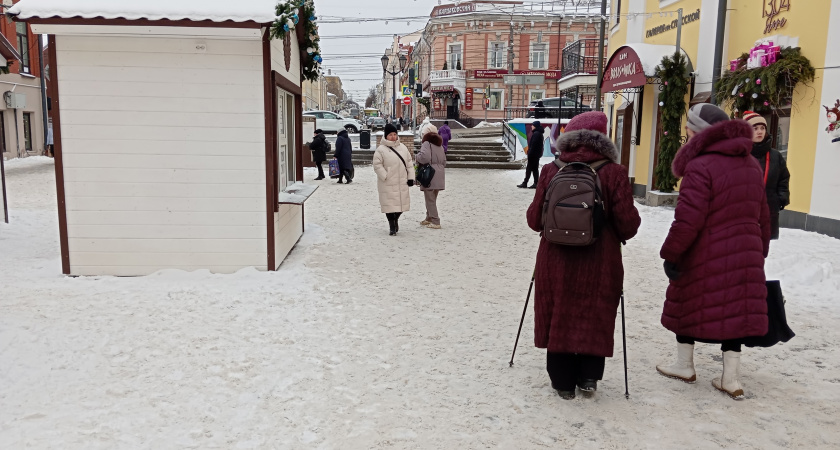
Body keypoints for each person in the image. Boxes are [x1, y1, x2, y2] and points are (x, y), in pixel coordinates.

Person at [656, 104, 771, 400]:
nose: (686, 132)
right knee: (736, 309)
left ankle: (684, 365)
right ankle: (731, 379)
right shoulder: (749, 164)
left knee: (687, 300)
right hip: (746, 250)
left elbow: (688, 218)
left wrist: (671, 253)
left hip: (705, 250)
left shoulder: (700, 165)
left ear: (698, 132)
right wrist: (761, 250)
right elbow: (763, 212)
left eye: (688, 127)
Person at [526, 112, 642, 400]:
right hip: (600, 260)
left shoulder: (552, 170)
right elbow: (628, 226)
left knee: (558, 312)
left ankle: (562, 381)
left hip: (555, 259)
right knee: (595, 312)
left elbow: (534, 220)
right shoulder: (614, 172)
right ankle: (588, 377)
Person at [744, 111, 790, 240]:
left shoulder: (775, 156)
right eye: (755, 128)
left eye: (762, 128)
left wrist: (781, 198)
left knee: (762, 247)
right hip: (743, 210)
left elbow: (783, 178)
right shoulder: (740, 154)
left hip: (768, 208)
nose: (760, 132)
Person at [373, 124, 415, 235]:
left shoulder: (403, 148)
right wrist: (385, 175)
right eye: (390, 135)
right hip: (387, 182)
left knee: (401, 205)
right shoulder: (381, 150)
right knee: (389, 206)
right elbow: (377, 165)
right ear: (386, 136)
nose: (393, 137)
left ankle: (396, 219)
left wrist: (411, 178)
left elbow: (409, 164)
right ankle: (392, 225)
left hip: (401, 181)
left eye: (395, 134)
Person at [416, 124, 446, 229]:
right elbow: (444, 161)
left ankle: (435, 220)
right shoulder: (440, 145)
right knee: (432, 198)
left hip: (429, 174)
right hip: (439, 174)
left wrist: (417, 156)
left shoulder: (426, 143)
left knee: (430, 199)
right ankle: (428, 217)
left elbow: (424, 158)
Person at [518, 121, 544, 189]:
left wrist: (530, 153)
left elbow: (534, 145)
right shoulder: (539, 133)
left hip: (533, 155)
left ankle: (525, 183)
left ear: (535, 126)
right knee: (535, 169)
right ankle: (536, 183)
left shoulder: (536, 134)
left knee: (529, 169)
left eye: (533, 125)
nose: (531, 126)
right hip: (536, 154)